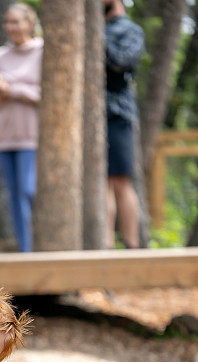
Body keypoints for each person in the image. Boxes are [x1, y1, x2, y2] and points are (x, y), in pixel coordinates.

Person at [0, 3, 43, 252]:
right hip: (2, 137)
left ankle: (40, 243)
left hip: (32, 137)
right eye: (7, 22)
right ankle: (25, 249)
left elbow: (51, 95)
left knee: (28, 190)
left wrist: (13, 90)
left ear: (30, 23)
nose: (10, 27)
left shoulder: (42, 51)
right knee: (14, 195)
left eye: (16, 22)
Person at [104, 0, 144, 248]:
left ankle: (132, 247)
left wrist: (98, 35)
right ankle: (104, 248)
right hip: (92, 118)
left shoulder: (130, 30)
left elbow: (121, 61)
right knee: (102, 183)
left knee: (120, 182)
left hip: (118, 115)